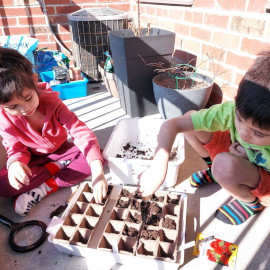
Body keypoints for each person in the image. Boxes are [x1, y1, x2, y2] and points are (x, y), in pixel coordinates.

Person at [138, 50, 270, 225]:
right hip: (239, 157)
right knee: (191, 119)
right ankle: (215, 171)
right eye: (239, 118)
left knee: (223, 164)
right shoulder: (231, 111)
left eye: (258, 133)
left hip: (263, 180)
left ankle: (250, 203)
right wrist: (158, 167)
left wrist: (247, 161)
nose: (243, 133)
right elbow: (173, 125)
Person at [0, 47, 108, 216]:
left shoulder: (53, 103)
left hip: (61, 151)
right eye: (13, 106)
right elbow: (14, 147)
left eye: (28, 98)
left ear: (35, 81)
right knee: (3, 184)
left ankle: (46, 187)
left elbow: (79, 131)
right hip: (32, 161)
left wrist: (98, 174)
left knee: (97, 158)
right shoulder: (4, 119)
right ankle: (56, 168)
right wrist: (15, 164)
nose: (24, 108)